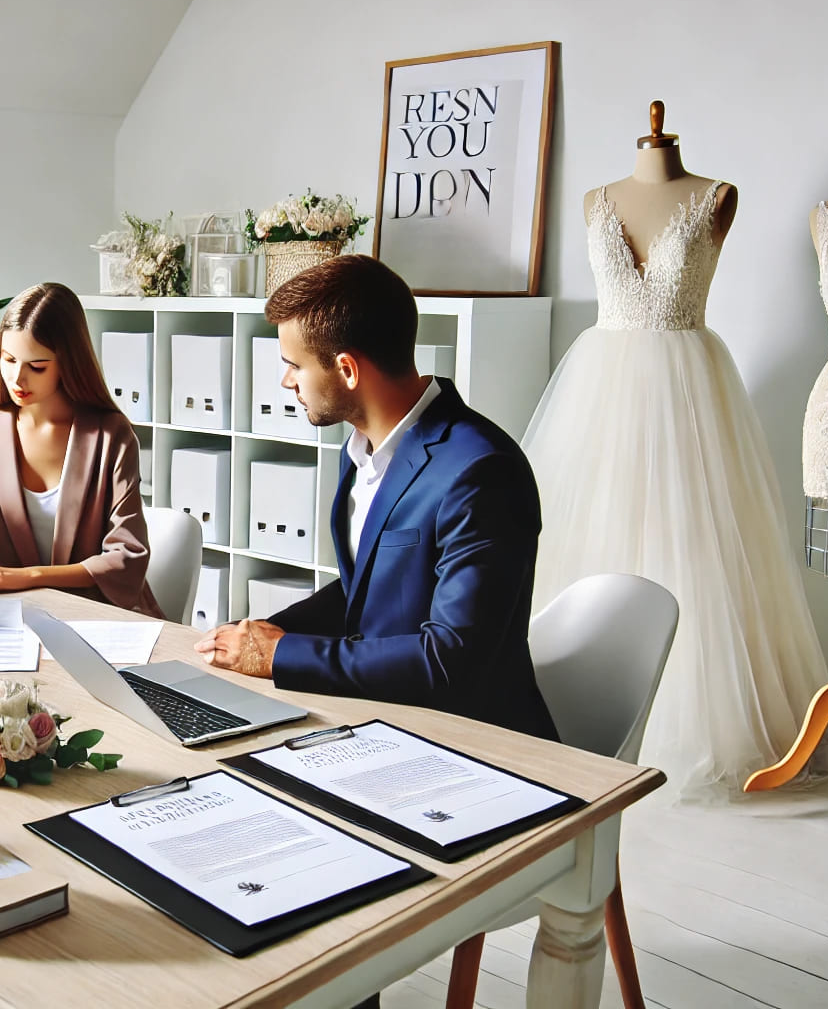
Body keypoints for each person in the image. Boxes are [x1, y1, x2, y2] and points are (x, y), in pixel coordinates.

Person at [193, 255, 557, 742]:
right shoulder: (359, 450)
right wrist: (257, 634)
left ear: (346, 369)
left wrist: (281, 654)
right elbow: (365, 590)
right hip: (375, 717)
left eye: (294, 366)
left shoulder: (480, 471)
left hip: (472, 741)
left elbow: (452, 659)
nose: (286, 383)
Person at [0, 282, 160, 616]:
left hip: (103, 617)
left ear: (68, 362)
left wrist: (28, 577)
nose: (17, 379)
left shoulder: (111, 436)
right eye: (8, 360)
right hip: (18, 620)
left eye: (37, 366)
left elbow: (126, 557)